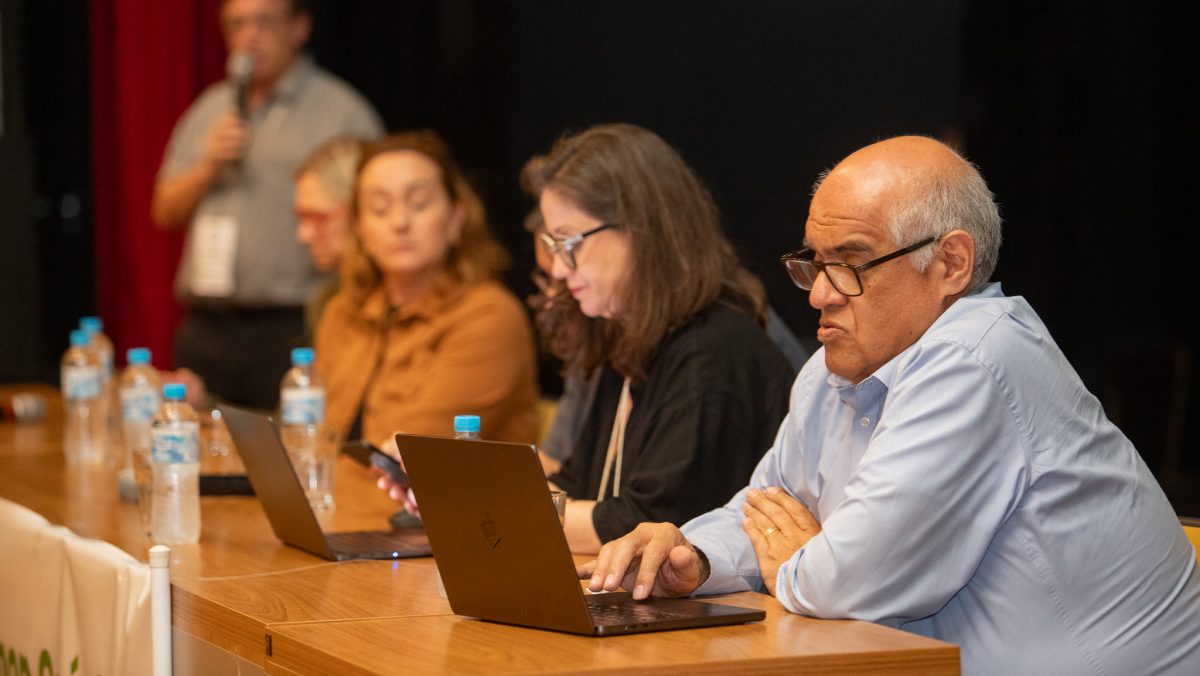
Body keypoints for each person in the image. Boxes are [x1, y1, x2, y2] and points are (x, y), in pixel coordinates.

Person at [581, 136, 1200, 674]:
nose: (820, 293)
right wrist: (693, 557)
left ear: (951, 264)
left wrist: (807, 559)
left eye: (851, 264)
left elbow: (843, 581)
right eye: (814, 263)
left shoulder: (976, 358)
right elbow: (766, 510)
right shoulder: (833, 369)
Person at [520, 123, 795, 554]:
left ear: (641, 229)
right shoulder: (627, 332)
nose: (558, 269)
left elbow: (648, 523)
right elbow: (579, 484)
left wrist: (512, 511)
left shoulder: (713, 352)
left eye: (567, 242)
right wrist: (469, 499)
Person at [151, 0, 383, 411]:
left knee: (286, 452)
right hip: (207, 323)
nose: (249, 38)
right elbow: (164, 211)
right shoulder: (209, 109)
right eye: (236, 25)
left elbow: (376, 218)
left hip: (290, 327)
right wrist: (207, 167)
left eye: (264, 23)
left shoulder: (341, 112)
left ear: (300, 27)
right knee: (194, 451)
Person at [315, 130, 539, 452]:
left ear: (456, 217)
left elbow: (407, 464)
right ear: (360, 229)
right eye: (379, 208)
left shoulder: (489, 318)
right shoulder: (343, 312)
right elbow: (311, 442)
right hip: (333, 495)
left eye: (418, 203)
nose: (400, 222)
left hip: (428, 501)